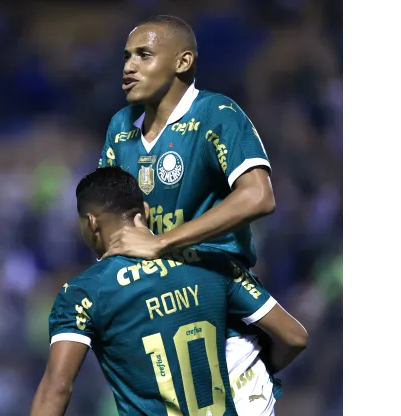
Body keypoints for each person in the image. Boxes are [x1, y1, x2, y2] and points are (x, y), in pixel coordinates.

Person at [98, 15, 283, 414]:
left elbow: (258, 196)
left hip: (222, 314)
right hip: (156, 322)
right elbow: (109, 219)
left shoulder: (217, 114)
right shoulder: (120, 128)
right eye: (126, 56)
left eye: (144, 55)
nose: (128, 66)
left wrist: (162, 241)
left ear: (182, 62)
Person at [29, 167, 307, 416]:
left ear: (91, 223)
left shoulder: (83, 293)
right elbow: (294, 337)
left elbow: (57, 390)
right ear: (146, 212)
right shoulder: (212, 263)